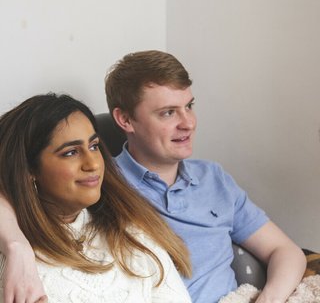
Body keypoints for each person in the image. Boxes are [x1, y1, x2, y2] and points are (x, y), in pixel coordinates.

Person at [0, 50, 307, 303]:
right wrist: (16, 245)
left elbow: (286, 251)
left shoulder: (213, 178)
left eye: (189, 106)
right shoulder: (105, 186)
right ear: (124, 119)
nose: (188, 123)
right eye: (168, 113)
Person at [0, 93, 192, 303]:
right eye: (70, 152)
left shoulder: (132, 233)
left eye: (94, 146)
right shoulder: (12, 261)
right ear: (29, 168)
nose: (93, 164)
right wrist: (16, 247)